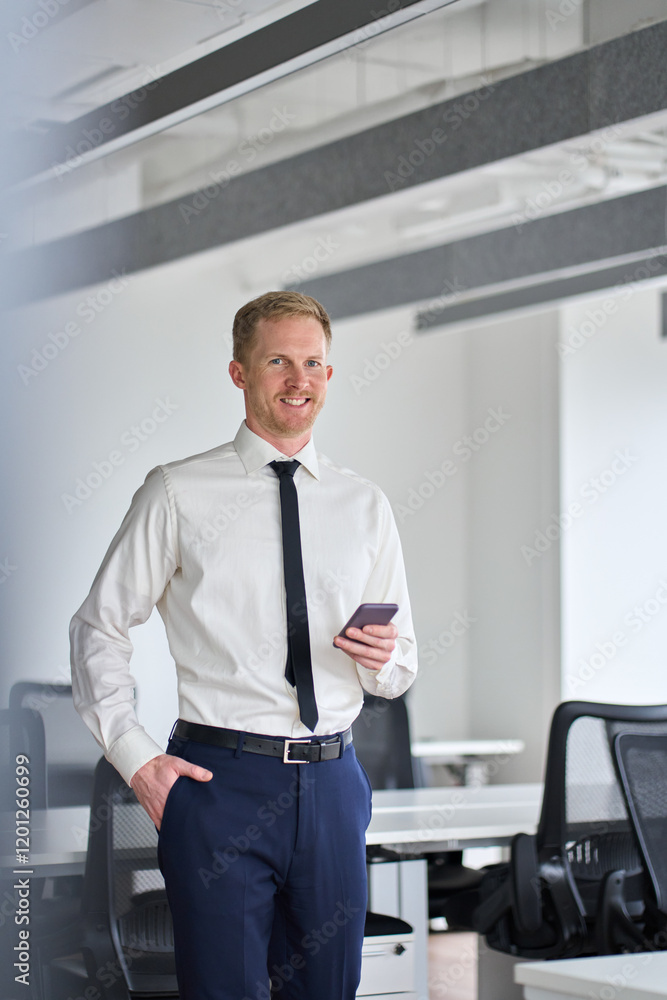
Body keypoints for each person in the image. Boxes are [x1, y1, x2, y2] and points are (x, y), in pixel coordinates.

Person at [70, 290, 418, 1000]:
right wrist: (137, 761)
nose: (300, 380)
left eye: (314, 363)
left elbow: (400, 663)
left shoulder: (364, 505)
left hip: (334, 783)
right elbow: (96, 628)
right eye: (278, 362)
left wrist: (384, 659)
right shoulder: (176, 492)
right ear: (239, 374)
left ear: (330, 373)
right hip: (219, 784)